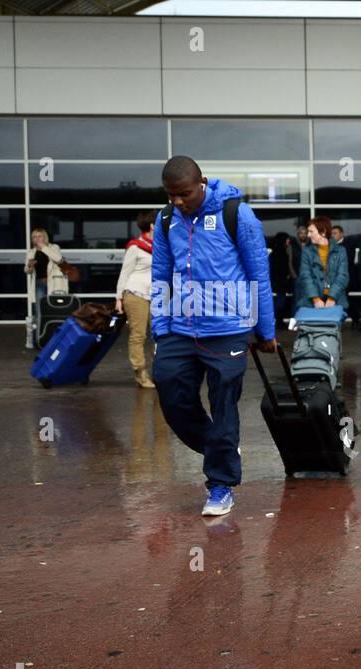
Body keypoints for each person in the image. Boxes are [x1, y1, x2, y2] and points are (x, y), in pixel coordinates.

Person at [148, 156, 276, 517]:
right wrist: (159, 326)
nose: (177, 201)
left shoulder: (237, 214)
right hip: (179, 327)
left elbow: (258, 274)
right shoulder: (166, 219)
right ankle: (221, 448)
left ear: (201, 183)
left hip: (228, 330)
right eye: (171, 195)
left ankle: (220, 485)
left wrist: (265, 330)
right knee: (170, 390)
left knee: (223, 405)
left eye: (183, 194)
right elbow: (160, 274)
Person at [114, 211, 156, 388]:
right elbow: (125, 273)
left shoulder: (160, 246)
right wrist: (119, 298)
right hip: (135, 293)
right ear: (152, 226)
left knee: (159, 335)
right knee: (139, 335)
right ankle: (141, 373)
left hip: (155, 295)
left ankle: (159, 373)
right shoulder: (135, 247)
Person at [296, 216, 349, 315]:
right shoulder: (307, 251)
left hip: (335, 300)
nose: (308, 235)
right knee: (312, 329)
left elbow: (343, 276)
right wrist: (315, 299)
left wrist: (332, 297)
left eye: (311, 232)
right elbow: (305, 276)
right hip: (311, 302)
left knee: (332, 329)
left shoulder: (340, 251)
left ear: (323, 232)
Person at [25, 227, 70, 339]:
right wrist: (30, 266)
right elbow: (27, 271)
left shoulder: (53, 247)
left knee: (54, 311)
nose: (37, 239)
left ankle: (55, 337)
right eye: (34, 237)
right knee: (39, 312)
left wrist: (44, 247)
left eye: (39, 236)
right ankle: (38, 338)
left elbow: (59, 259)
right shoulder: (31, 252)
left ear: (44, 237)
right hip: (39, 284)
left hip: (54, 284)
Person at [267, 232, 295, 326]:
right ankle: (278, 320)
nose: (289, 241)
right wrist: (286, 275)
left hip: (278, 281)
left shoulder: (276, 252)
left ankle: (278, 320)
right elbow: (279, 268)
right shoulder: (281, 252)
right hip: (280, 281)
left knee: (279, 300)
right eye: (287, 239)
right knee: (280, 301)